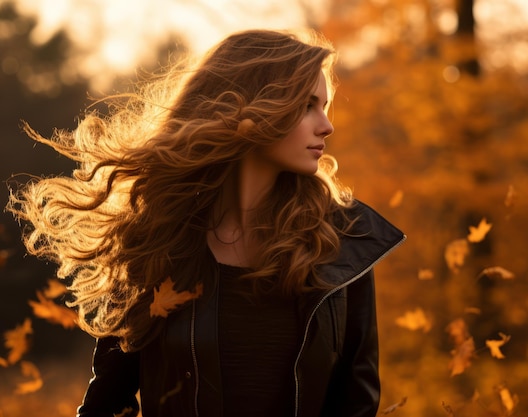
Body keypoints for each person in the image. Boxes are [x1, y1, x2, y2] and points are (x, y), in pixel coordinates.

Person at [8, 29, 405, 417]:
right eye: (306, 106)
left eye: (324, 105)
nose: (326, 125)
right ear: (249, 108)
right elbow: (109, 403)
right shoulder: (156, 241)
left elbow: (356, 403)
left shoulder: (343, 244)